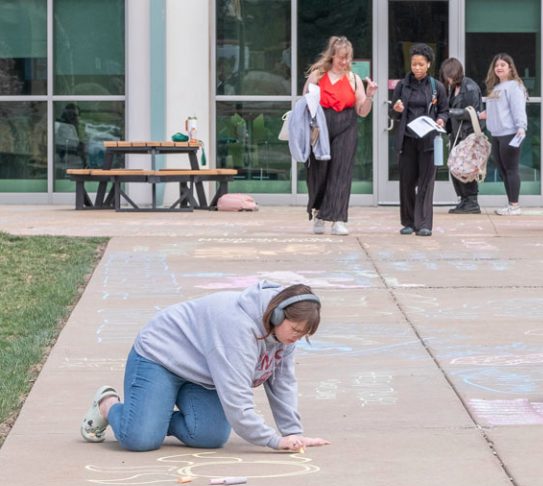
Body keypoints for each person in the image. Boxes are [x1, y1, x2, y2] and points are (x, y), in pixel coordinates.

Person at [79, 282, 330, 453]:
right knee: (140, 439)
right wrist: (274, 441)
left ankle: (150, 414)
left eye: (304, 334)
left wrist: (294, 433)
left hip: (203, 373)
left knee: (210, 436)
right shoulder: (238, 327)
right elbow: (237, 400)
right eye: (296, 330)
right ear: (277, 315)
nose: (297, 337)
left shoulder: (284, 336)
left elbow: (282, 383)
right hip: (161, 357)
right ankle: (108, 405)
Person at [304, 36, 377, 236]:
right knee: (320, 172)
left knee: (341, 172)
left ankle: (337, 219)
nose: (344, 62)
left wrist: (369, 95)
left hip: (346, 126)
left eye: (347, 58)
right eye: (340, 58)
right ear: (332, 56)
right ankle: (319, 214)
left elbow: (362, 111)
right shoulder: (318, 75)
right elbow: (306, 103)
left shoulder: (353, 79)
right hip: (321, 126)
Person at [390, 43, 449, 237]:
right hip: (407, 139)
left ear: (428, 65)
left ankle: (424, 224)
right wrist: (396, 110)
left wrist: (441, 119)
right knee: (406, 182)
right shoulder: (402, 85)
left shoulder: (436, 87)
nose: (416, 68)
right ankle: (408, 222)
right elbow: (394, 111)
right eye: (414, 64)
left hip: (428, 140)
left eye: (421, 64)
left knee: (426, 183)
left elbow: (444, 110)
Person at [480, 53, 528, 216]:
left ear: (510, 68)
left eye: (503, 65)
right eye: (496, 65)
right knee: (503, 170)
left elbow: (518, 108)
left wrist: (521, 127)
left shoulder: (514, 86)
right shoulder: (496, 88)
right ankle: (510, 204)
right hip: (497, 133)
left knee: (511, 169)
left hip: (510, 133)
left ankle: (514, 205)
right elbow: (498, 110)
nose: (499, 68)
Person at [439, 57, 484, 214]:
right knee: (456, 167)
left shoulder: (470, 87)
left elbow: (472, 112)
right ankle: (464, 200)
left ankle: (471, 201)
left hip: (467, 134)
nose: (448, 79)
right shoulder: (454, 87)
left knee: (466, 168)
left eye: (450, 75)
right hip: (457, 134)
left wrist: (449, 113)